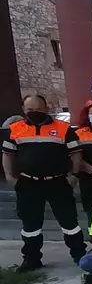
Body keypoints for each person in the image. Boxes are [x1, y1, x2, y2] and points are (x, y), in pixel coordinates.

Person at [2, 94, 86, 271]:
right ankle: (31, 259)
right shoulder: (15, 129)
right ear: (24, 110)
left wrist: (74, 175)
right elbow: (8, 155)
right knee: (30, 225)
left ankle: (79, 255)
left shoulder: (63, 128)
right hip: (28, 183)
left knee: (69, 222)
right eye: (30, 110)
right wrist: (10, 176)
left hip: (58, 182)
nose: (34, 113)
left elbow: (76, 153)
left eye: (38, 109)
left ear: (46, 109)